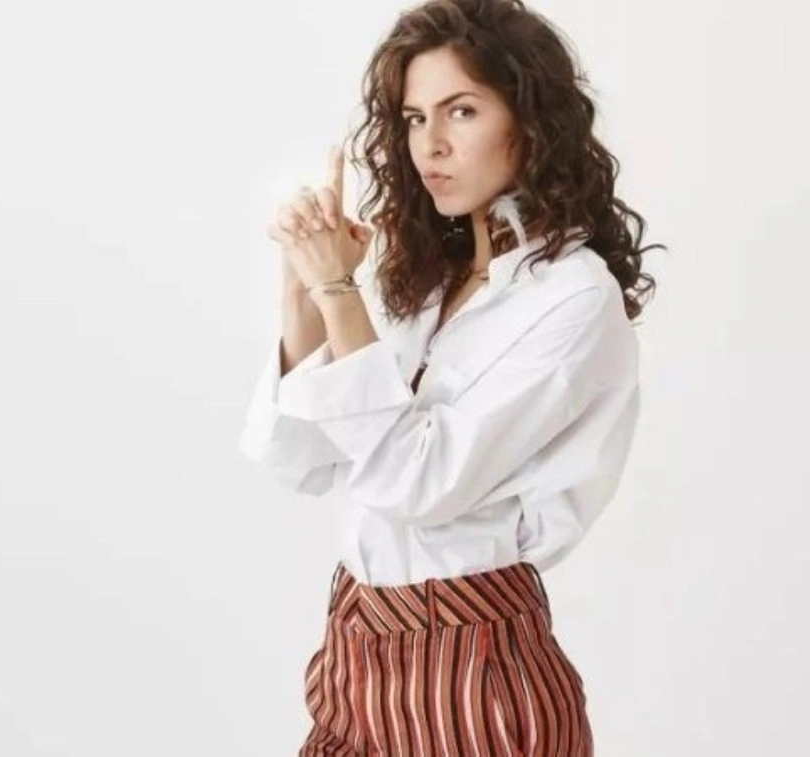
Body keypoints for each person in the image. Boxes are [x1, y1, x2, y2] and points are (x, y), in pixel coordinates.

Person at [238, 0, 663, 754]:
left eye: (461, 111)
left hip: (472, 664)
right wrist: (304, 286)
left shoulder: (574, 297)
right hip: (355, 644)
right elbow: (298, 459)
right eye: (413, 118)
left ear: (531, 120)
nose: (430, 144)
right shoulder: (430, 283)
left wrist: (341, 292)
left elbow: (417, 484)